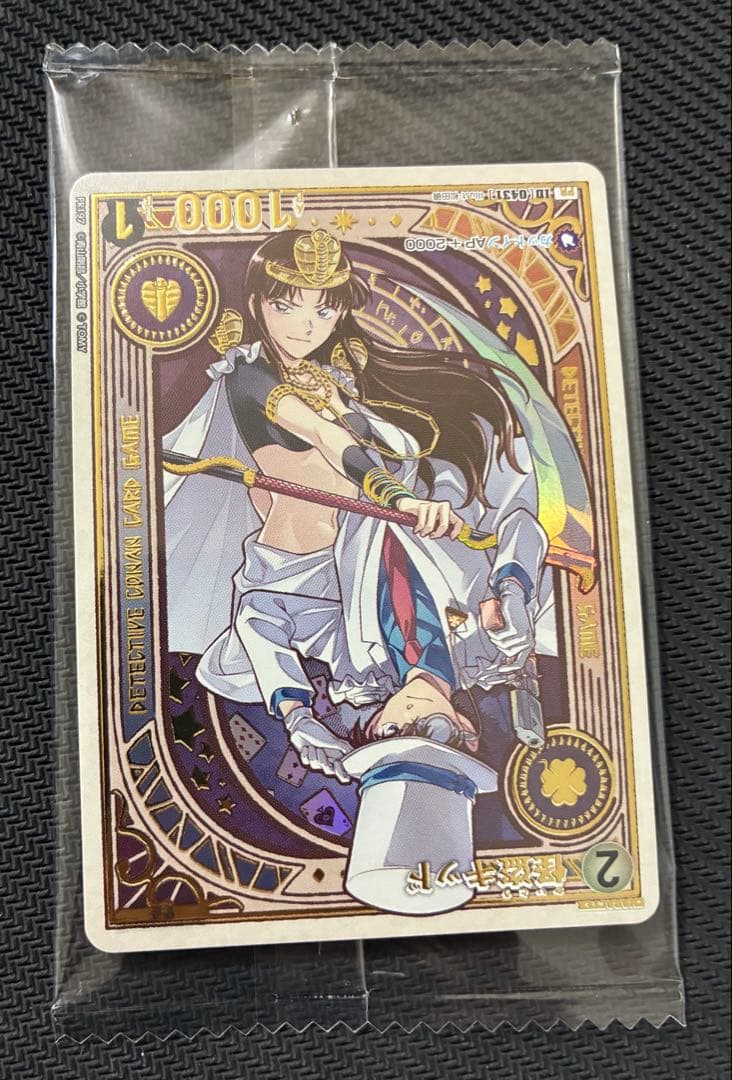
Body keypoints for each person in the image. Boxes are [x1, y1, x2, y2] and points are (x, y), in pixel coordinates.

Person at [163, 229, 551, 780]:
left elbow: (260, 616)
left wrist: (298, 714)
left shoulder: (352, 655)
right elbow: (520, 527)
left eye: (322, 311)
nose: (305, 326)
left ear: (373, 726)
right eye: (435, 733)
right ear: (467, 730)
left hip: (320, 532)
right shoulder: (490, 643)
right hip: (390, 497)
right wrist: (512, 587)